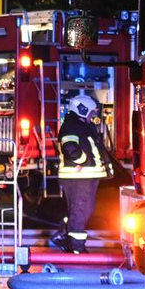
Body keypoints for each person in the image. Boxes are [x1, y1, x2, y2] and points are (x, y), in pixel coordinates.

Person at [50, 94, 112, 254]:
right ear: (82, 110)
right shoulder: (72, 126)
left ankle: (63, 235)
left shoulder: (79, 125)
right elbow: (69, 146)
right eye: (91, 112)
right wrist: (82, 161)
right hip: (79, 177)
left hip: (83, 177)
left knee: (77, 211)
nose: (93, 116)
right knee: (81, 211)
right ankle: (77, 247)